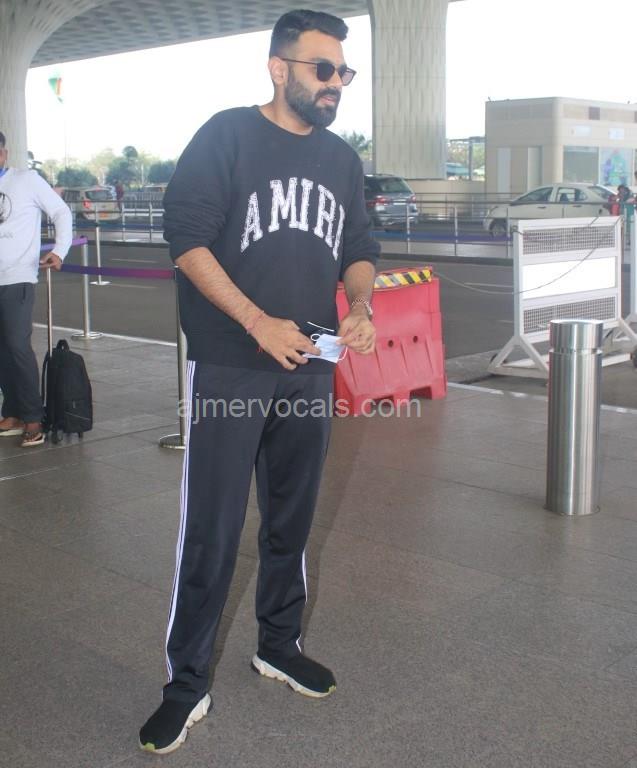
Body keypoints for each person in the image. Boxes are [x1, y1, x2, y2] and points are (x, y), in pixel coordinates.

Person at [139, 8, 379, 755]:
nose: (336, 82)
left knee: (291, 519)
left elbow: (358, 247)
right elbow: (188, 243)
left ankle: (277, 643)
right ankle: (185, 684)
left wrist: (361, 306)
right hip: (231, 362)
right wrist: (255, 322)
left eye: (343, 71)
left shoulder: (341, 160)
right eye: (323, 68)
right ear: (279, 68)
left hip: (311, 365)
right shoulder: (226, 137)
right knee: (212, 529)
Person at [0, 130, 72, 447]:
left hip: (17, 277)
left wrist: (60, 250)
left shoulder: (26, 180)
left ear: (4, 153)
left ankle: (33, 418)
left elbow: (61, 211)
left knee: (17, 347)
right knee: (2, 351)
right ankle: (13, 412)